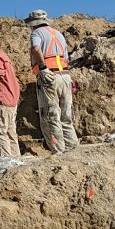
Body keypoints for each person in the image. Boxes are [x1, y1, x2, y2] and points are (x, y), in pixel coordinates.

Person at [25, 9, 79, 152]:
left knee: (50, 116)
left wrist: (42, 68)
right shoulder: (58, 34)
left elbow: (35, 49)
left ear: (33, 23)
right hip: (65, 75)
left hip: (49, 76)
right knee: (66, 117)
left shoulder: (36, 33)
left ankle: (59, 152)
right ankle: (73, 150)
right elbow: (66, 58)